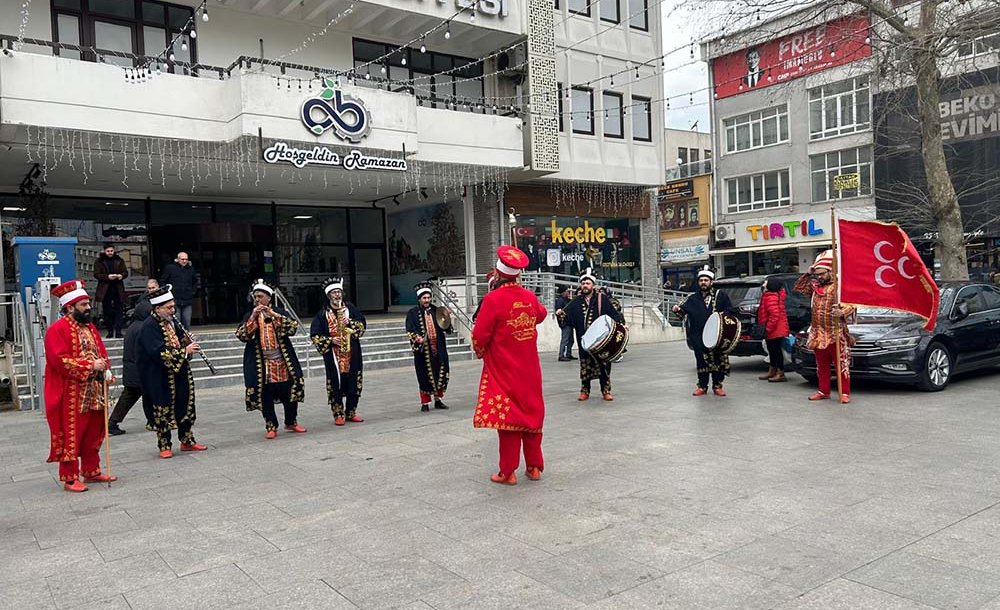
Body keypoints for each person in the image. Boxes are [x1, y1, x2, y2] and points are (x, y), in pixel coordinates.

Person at [471, 246, 547, 485]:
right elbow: (541, 314)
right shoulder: (528, 296)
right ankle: (534, 467)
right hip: (529, 369)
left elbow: (479, 335)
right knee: (532, 414)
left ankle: (508, 471)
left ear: (497, 272)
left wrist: (481, 351)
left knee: (508, 419)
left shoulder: (492, 299)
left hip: (504, 369)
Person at [44, 280, 117, 492]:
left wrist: (106, 369)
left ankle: (91, 470)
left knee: (94, 431)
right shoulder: (57, 330)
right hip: (71, 392)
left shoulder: (90, 327)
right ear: (70, 307)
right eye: (84, 304)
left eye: (88, 303)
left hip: (93, 390)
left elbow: (101, 352)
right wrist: (89, 365)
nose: (88, 308)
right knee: (72, 433)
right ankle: (69, 477)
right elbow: (58, 360)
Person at [136, 283, 207, 458]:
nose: (172, 311)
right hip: (159, 375)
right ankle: (164, 444)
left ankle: (187, 440)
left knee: (185, 404)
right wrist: (185, 351)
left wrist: (187, 343)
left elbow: (177, 342)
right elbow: (157, 351)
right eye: (168, 308)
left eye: (173, 307)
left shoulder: (172, 322)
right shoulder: (149, 326)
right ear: (158, 308)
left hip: (179, 372)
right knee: (163, 408)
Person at [236, 279, 306, 438]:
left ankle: (291, 421)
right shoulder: (250, 315)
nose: (257, 300)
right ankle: (270, 425)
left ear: (268, 298)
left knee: (289, 392)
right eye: (255, 297)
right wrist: (253, 317)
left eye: (260, 296)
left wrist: (273, 315)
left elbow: (293, 328)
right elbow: (241, 335)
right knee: (265, 395)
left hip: (283, 362)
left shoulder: (280, 312)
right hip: (262, 364)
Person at [794, 250, 856, 403]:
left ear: (830, 272)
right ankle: (823, 390)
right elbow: (798, 288)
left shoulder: (840, 287)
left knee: (842, 365)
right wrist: (809, 273)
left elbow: (852, 304)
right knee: (821, 366)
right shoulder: (814, 287)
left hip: (836, 333)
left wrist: (841, 312)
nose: (819, 276)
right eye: (818, 274)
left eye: (822, 273)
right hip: (817, 333)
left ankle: (845, 393)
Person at [557, 268, 625, 401]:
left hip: (601, 341)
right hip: (584, 342)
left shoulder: (602, 299)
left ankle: (605, 390)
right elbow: (566, 316)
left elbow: (614, 315)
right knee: (585, 366)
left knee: (604, 366)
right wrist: (560, 314)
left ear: (593, 285)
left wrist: (621, 324)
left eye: (587, 283)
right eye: (583, 283)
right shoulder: (576, 302)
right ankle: (585, 390)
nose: (585, 286)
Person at [310, 277, 367, 426]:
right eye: (334, 293)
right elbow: (315, 335)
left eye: (339, 292)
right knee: (336, 384)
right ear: (329, 296)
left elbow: (362, 325)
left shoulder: (350, 309)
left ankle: (351, 411)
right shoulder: (322, 314)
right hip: (333, 355)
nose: (337, 295)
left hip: (351, 353)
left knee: (354, 382)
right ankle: (338, 413)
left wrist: (351, 323)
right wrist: (330, 340)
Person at [672, 266, 734, 396]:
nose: (703, 283)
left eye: (706, 280)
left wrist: (720, 316)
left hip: (716, 336)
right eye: (701, 280)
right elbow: (683, 311)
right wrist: (677, 309)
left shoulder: (720, 296)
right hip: (698, 335)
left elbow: (730, 311)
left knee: (717, 360)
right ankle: (702, 386)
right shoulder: (693, 298)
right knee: (701, 361)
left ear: (711, 282)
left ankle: (717, 386)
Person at [405, 281, 452, 412]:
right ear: (419, 299)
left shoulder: (437, 310)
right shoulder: (412, 313)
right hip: (423, 350)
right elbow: (409, 329)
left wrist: (447, 318)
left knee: (439, 373)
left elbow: (446, 328)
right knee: (424, 375)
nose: (427, 300)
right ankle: (425, 402)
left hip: (438, 347)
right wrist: (416, 338)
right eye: (424, 298)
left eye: (428, 297)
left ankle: (438, 400)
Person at [757, 277, 790, 383]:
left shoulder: (772, 296)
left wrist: (768, 328)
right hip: (775, 328)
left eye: (766, 282)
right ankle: (773, 370)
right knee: (772, 350)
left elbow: (774, 315)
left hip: (775, 329)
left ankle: (780, 372)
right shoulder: (770, 295)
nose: (764, 284)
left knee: (776, 351)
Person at [94, 243, 128, 338]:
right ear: (104, 251)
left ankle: (118, 331)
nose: (110, 253)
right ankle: (109, 331)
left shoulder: (119, 260)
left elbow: (125, 272)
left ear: (114, 251)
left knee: (119, 311)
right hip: (105, 289)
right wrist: (108, 277)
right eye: (108, 251)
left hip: (118, 288)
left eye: (111, 251)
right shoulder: (99, 261)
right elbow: (96, 274)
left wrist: (121, 276)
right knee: (107, 311)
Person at [160, 252, 196, 329]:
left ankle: (187, 339)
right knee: (176, 321)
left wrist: (192, 292)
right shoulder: (170, 268)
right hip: (174, 300)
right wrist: (168, 293)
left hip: (187, 299)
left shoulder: (190, 269)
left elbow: (195, 282)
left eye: (186, 259)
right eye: (182, 259)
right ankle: (177, 339)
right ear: (177, 259)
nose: (184, 261)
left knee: (187, 321)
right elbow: (163, 281)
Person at [554, 285, 576, 361]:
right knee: (565, 339)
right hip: (565, 323)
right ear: (563, 292)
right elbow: (558, 311)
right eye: (567, 291)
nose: (568, 292)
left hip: (569, 322)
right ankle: (561, 355)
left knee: (571, 340)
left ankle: (568, 354)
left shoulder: (566, 300)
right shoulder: (560, 300)